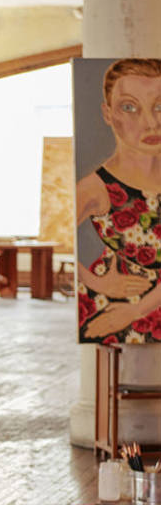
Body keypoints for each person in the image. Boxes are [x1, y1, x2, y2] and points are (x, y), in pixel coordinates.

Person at [76, 57, 161, 343]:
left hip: (139, 311)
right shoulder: (95, 188)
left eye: (160, 106)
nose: (151, 123)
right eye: (130, 107)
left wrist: (137, 310)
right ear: (108, 113)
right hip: (111, 314)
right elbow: (58, 241)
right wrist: (96, 282)